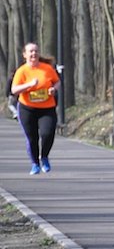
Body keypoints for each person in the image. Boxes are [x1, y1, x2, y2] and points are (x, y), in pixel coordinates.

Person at [10, 42, 60, 175]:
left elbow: (57, 82)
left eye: (36, 51)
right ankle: (35, 164)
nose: (34, 54)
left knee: (47, 134)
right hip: (27, 109)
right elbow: (14, 90)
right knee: (32, 137)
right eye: (31, 51)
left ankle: (44, 157)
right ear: (25, 55)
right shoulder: (22, 71)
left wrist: (53, 89)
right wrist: (29, 85)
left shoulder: (47, 68)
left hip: (47, 108)